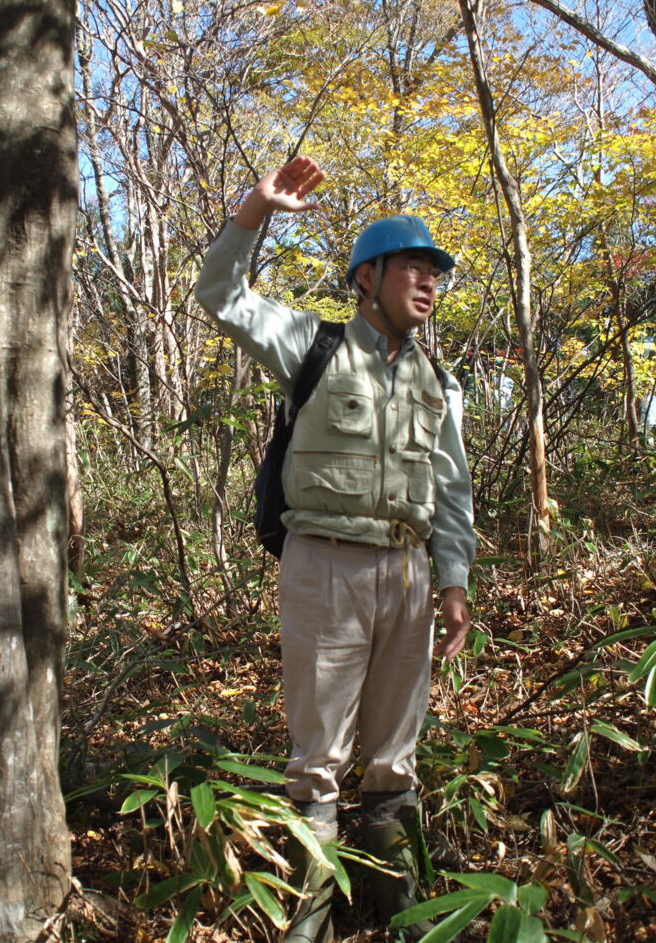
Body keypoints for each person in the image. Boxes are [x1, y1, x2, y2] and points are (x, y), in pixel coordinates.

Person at [195, 155, 476, 942]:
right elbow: (220, 297)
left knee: (395, 759)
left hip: (409, 573)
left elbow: (451, 490)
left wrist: (453, 583)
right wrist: (255, 208)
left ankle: (400, 909)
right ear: (367, 277)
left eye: (434, 273)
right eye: (412, 268)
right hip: (325, 566)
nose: (427, 283)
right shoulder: (311, 348)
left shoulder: (438, 383)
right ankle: (307, 918)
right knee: (317, 759)